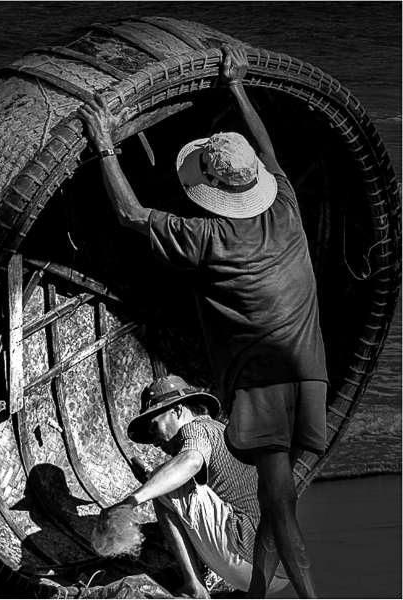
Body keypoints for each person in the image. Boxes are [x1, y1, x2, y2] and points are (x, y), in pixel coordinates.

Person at [78, 45, 328, 599]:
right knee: (275, 498)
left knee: (277, 503)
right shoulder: (285, 205)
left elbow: (130, 216)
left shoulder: (209, 236)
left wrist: (105, 147)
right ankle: (263, 592)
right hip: (311, 374)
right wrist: (237, 87)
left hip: (264, 382)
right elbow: (268, 150)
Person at [98, 373, 288, 598]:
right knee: (162, 481)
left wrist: (131, 501)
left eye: (154, 427)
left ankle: (194, 586)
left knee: (163, 482)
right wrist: (150, 480)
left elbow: (191, 461)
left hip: (247, 553)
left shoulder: (199, 427)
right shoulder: (222, 432)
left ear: (177, 410)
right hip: (277, 573)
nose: (154, 442)